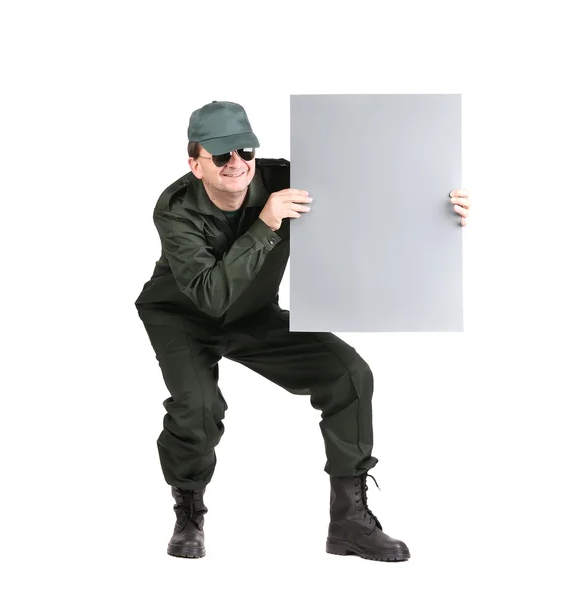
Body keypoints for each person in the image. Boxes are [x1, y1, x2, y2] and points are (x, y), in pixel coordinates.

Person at [134, 100, 471, 562]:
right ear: (194, 162)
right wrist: (267, 221)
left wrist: (437, 207)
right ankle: (189, 512)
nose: (237, 164)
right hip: (182, 315)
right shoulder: (174, 210)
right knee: (199, 409)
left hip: (252, 313)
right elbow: (210, 295)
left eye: (246, 152)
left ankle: (348, 522)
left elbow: (364, 194)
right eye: (220, 156)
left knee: (349, 375)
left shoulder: (283, 178)